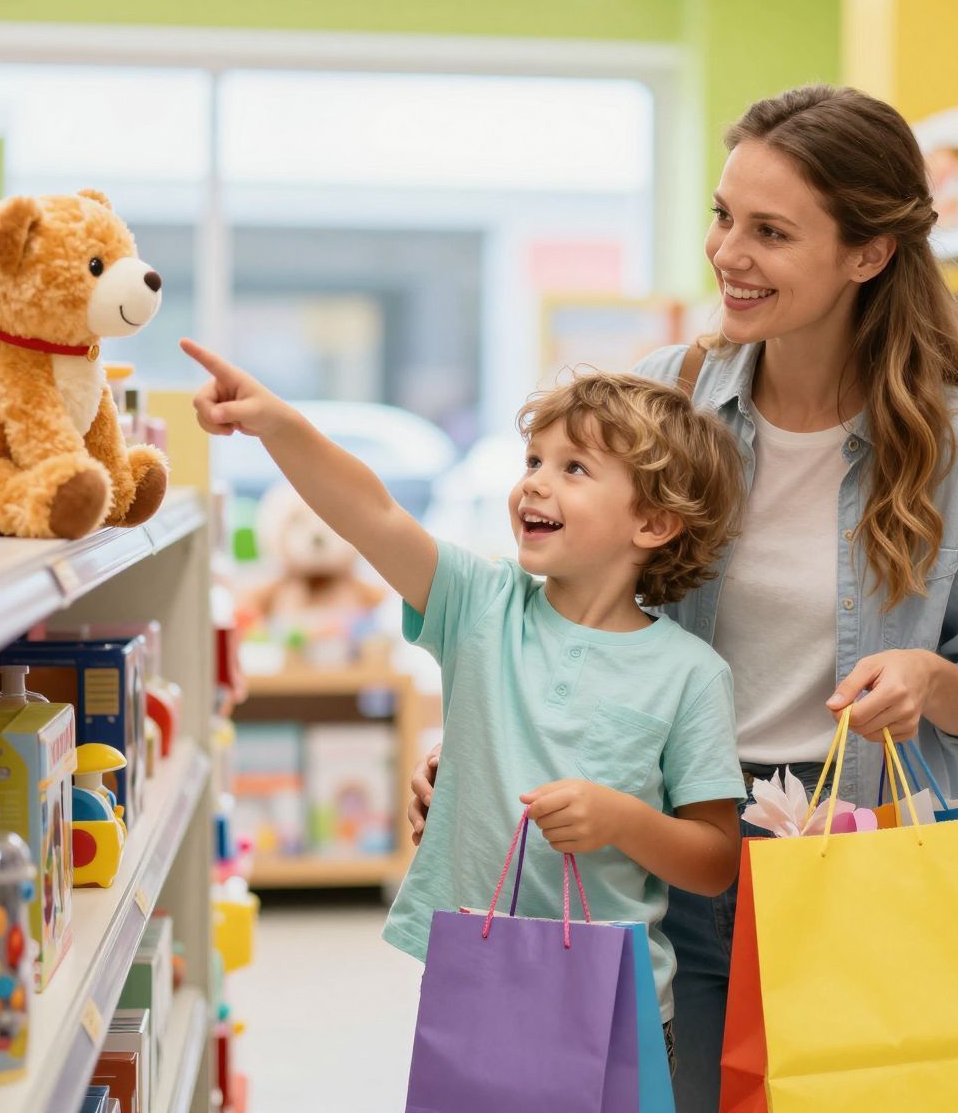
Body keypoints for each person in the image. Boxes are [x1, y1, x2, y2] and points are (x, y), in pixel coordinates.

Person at [410, 83, 958, 1109]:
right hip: (668, 840)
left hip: (850, 851)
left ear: (868, 254)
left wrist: (932, 680)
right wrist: (487, 743)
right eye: (722, 216)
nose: (726, 253)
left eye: (770, 232)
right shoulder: (673, 393)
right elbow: (572, 607)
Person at [182, 343, 751, 1067]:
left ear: (654, 523)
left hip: (616, 1007)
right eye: (533, 461)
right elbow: (371, 512)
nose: (534, 483)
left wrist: (622, 820)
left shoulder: (692, 674)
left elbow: (715, 860)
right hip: (476, 977)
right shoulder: (482, 605)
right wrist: (277, 423)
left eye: (574, 468)